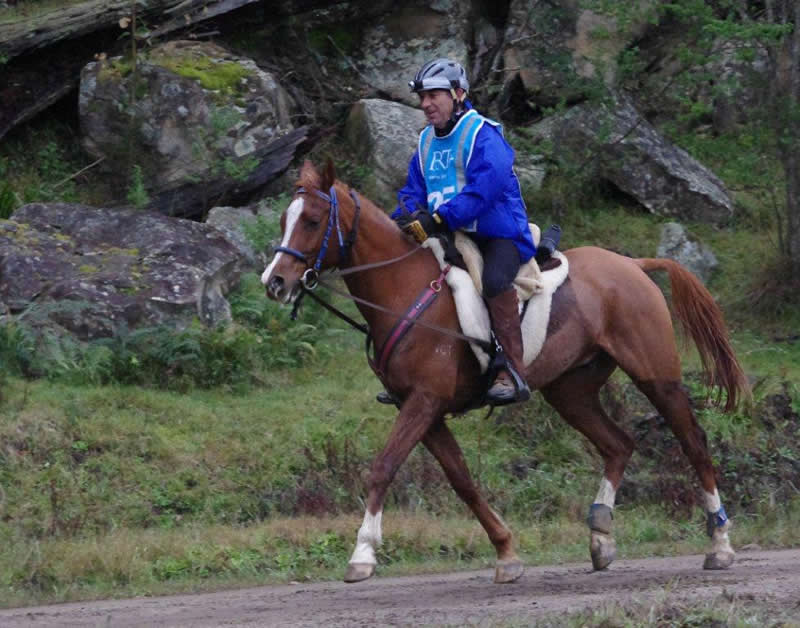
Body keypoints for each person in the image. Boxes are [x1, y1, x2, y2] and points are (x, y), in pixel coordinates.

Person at [386, 58, 550, 406]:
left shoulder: (483, 134)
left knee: (493, 281)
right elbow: (413, 190)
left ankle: (512, 370)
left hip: (499, 234)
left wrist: (438, 219)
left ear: (458, 94)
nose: (426, 104)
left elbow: (483, 191)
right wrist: (404, 216)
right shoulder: (425, 142)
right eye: (422, 97)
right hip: (453, 232)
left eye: (434, 96)